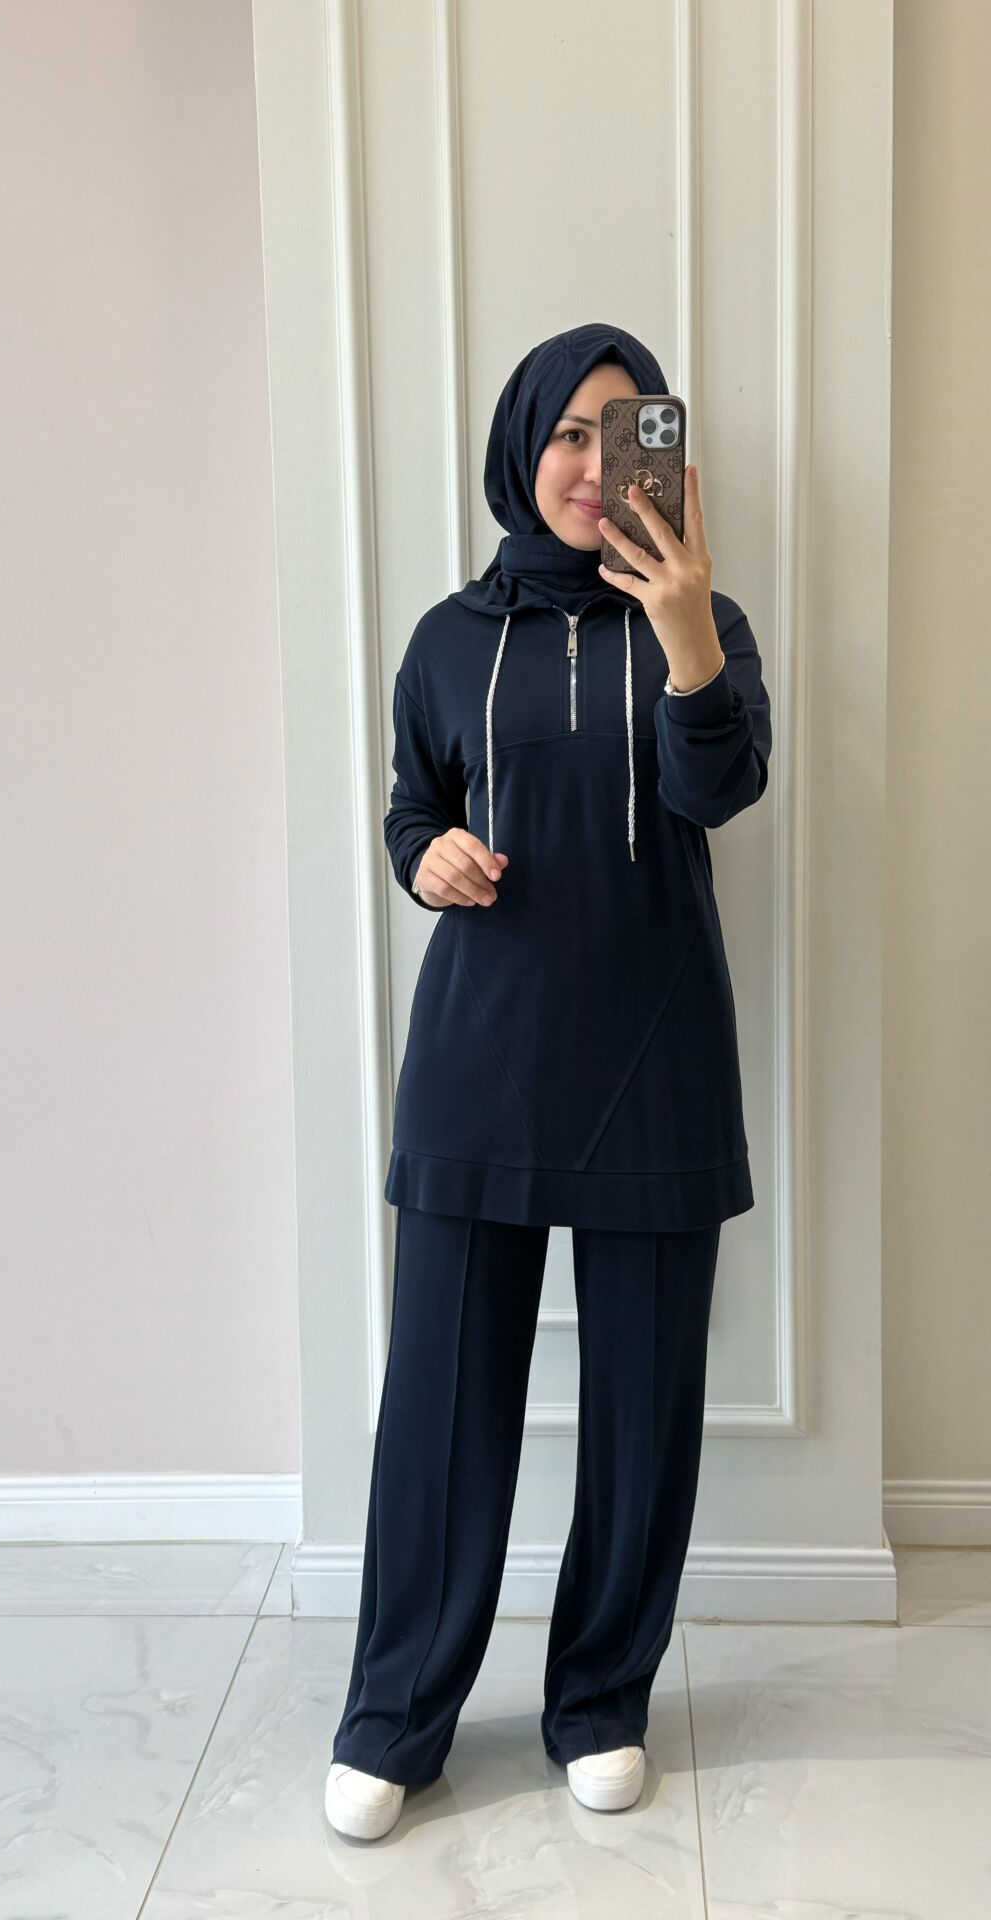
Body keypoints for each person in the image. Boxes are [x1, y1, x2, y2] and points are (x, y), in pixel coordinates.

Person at [324, 323, 773, 1841]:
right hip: (481, 1068)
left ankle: (601, 1699)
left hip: (657, 1058)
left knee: (644, 1413)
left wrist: (688, 627)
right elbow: (412, 808)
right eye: (568, 433)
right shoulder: (450, 638)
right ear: (522, 450)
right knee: (443, 1413)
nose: (593, 464)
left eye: (622, 430)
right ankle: (396, 1717)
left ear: (662, 453)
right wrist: (429, 859)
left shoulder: (705, 618)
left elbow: (720, 786)